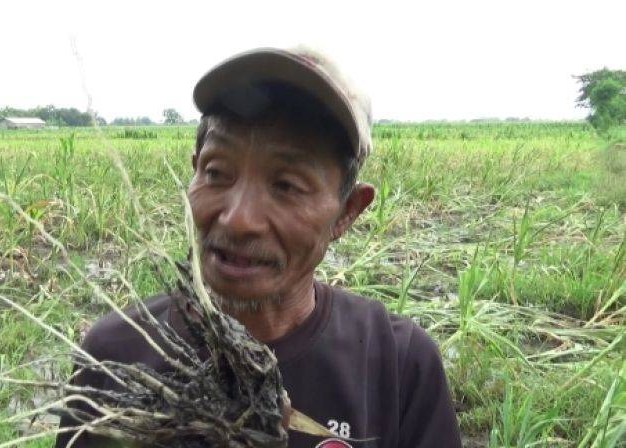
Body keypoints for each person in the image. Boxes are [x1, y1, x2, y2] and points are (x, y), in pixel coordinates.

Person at [55, 47, 462, 448]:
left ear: (346, 212)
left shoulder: (398, 366)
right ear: (195, 171)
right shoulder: (114, 355)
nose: (238, 219)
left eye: (286, 185)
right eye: (217, 173)